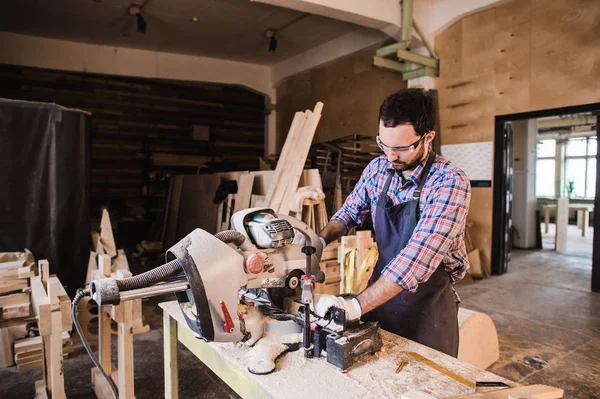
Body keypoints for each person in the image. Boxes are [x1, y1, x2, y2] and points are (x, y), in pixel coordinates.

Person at [314, 88, 471, 357]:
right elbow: (348, 214)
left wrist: (355, 305)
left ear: (428, 137)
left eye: (400, 148)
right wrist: (317, 241)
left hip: (428, 308)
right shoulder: (377, 169)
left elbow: (416, 259)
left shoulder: (449, 182)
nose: (391, 156)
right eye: (384, 145)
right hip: (381, 298)